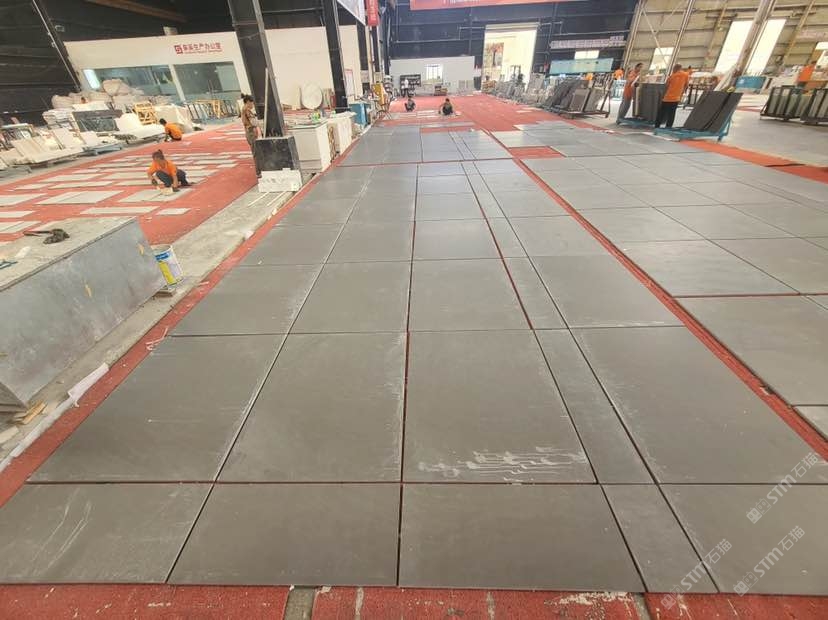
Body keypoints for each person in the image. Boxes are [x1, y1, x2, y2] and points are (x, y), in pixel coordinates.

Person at [655, 63, 690, 128]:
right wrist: (682, 93)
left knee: (661, 113)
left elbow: (666, 86)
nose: (673, 70)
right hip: (676, 98)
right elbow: (686, 85)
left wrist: (663, 96)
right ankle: (668, 126)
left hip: (667, 98)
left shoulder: (672, 76)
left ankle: (657, 125)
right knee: (672, 113)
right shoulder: (686, 75)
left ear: (675, 68)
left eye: (673, 68)